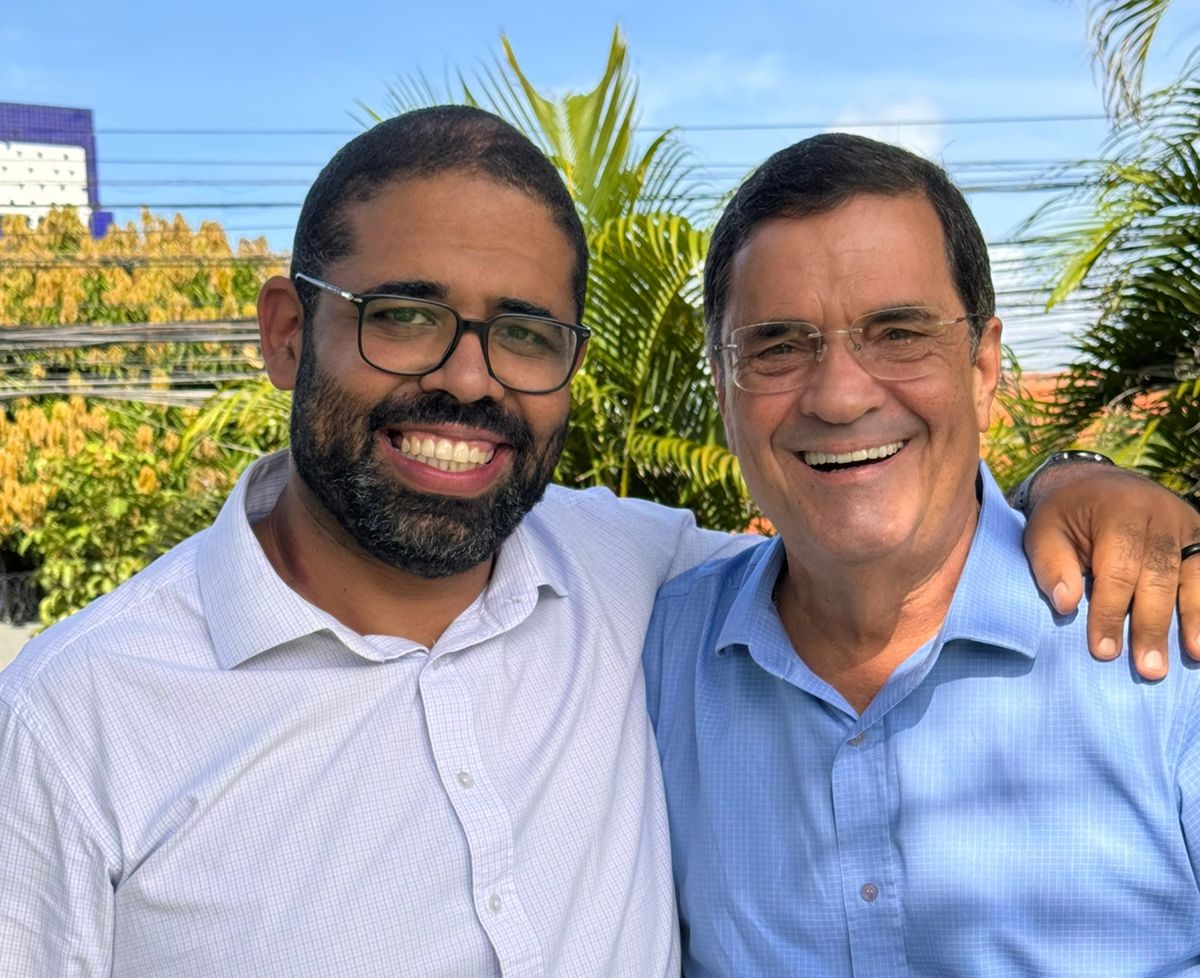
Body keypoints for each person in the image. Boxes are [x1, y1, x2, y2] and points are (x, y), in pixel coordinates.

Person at [0, 108, 1194, 978]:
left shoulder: (636, 585)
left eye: (525, 333)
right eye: (405, 317)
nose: (466, 380)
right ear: (285, 331)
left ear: (986, 360)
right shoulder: (78, 720)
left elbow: (872, 524)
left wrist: (1071, 479)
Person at [643, 132, 1200, 977]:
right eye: (779, 346)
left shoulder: (1165, 651)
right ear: (723, 388)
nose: (838, 395)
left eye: (898, 332)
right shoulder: (651, 663)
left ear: (983, 365)